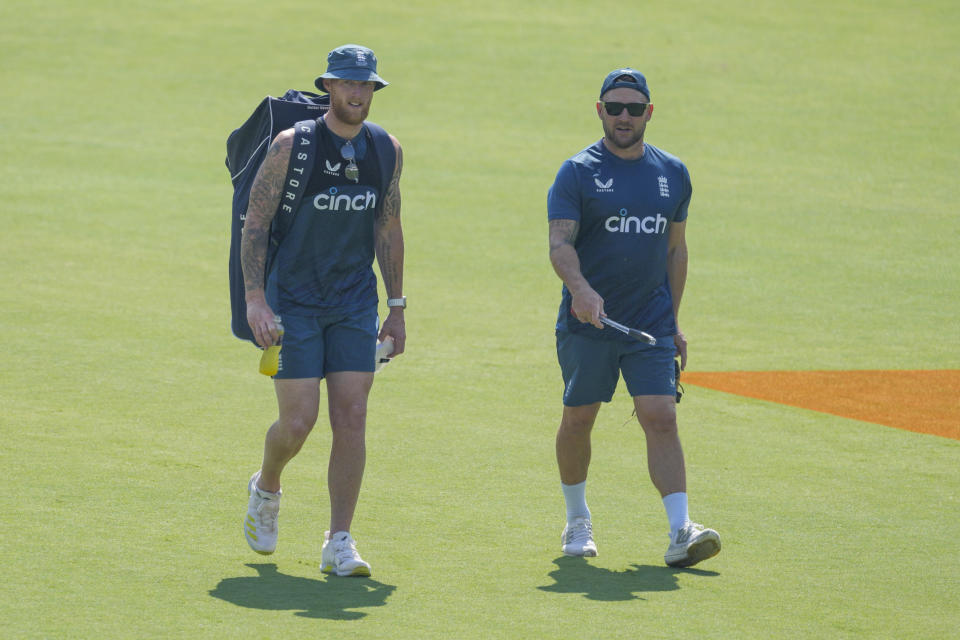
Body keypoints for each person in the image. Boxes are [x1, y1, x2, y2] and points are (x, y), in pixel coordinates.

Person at [240, 44, 406, 577]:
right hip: (295, 303)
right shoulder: (293, 146)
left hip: (355, 302)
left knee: (352, 416)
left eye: (366, 86)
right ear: (328, 87)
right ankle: (267, 487)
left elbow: (387, 227)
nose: (358, 94)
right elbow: (256, 223)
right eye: (348, 84)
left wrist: (397, 307)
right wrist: (255, 299)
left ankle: (339, 540)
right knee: (298, 421)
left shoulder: (386, 150)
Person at [546, 68, 720, 568]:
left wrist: (675, 322)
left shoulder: (673, 173)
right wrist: (580, 290)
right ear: (599, 110)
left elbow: (676, 249)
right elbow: (560, 244)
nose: (624, 116)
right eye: (614, 107)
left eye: (634, 108)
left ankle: (680, 530)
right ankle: (577, 520)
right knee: (579, 419)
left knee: (661, 416)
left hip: (650, 324)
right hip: (588, 324)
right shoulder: (577, 172)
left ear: (649, 112)